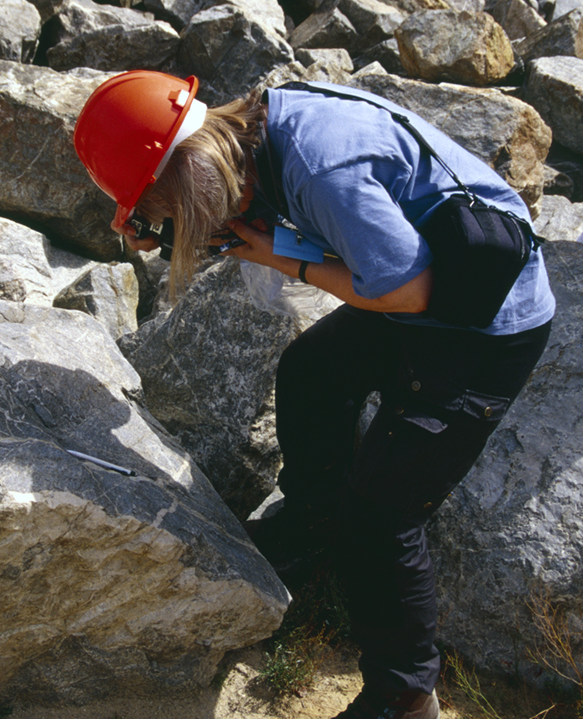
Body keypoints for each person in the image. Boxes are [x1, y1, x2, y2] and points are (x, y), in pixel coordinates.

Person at [73, 71, 555, 719]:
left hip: (482, 328)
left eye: (162, 204)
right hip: (424, 292)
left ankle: (405, 692)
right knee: (312, 373)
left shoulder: (322, 165)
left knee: (381, 512)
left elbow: (405, 290)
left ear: (187, 169)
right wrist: (174, 226)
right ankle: (313, 531)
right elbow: (324, 235)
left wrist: (281, 260)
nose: (164, 220)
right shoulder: (257, 126)